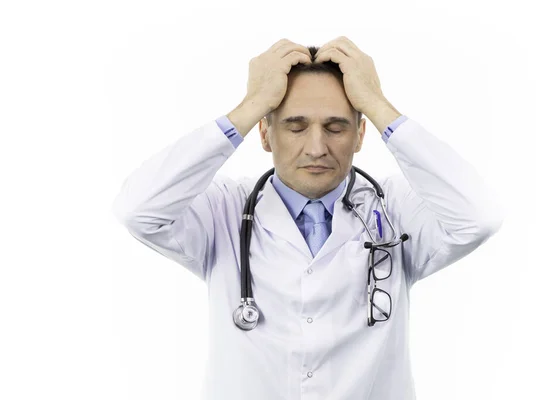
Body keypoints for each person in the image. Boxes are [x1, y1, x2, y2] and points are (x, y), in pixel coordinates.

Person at [112, 37, 504, 400]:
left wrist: (377, 103)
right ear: (264, 134)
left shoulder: (394, 210)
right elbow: (138, 209)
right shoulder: (224, 211)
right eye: (295, 126)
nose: (317, 147)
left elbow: (479, 216)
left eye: (336, 127)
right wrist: (250, 105)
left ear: (360, 135)